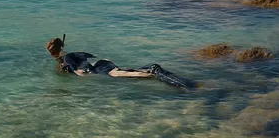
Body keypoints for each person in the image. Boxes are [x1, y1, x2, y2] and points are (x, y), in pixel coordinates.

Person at [45, 36, 193, 89]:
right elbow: (86, 57)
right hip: (103, 65)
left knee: (151, 72)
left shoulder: (67, 58)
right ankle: (186, 84)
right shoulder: (68, 56)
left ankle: (187, 86)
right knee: (148, 69)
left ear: (53, 53)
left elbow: (81, 71)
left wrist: (71, 70)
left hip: (104, 70)